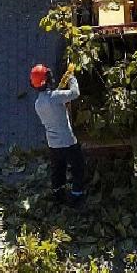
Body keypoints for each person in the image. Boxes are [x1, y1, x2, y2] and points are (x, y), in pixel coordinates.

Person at [30, 64, 85, 207]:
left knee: (58, 170)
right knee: (78, 167)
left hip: (53, 144)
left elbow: (53, 103)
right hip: (68, 141)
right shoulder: (56, 97)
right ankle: (76, 196)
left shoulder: (38, 104)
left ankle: (58, 194)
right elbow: (75, 93)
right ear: (48, 80)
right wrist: (72, 78)